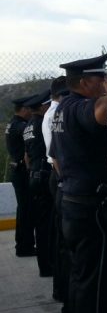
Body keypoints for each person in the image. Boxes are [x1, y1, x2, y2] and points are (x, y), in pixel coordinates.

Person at [49, 54, 107, 313]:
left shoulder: (60, 110)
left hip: (71, 199)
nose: (103, 84)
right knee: (98, 280)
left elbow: (55, 157)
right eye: (99, 79)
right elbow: (106, 108)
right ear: (84, 82)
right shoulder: (80, 108)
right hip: (92, 208)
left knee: (82, 277)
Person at [42, 76, 70, 313]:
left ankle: (61, 289)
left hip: (58, 177)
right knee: (66, 243)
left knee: (63, 240)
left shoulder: (52, 113)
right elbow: (59, 156)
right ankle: (64, 291)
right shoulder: (57, 114)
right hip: (62, 176)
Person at [22, 90, 54, 277]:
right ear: (42, 106)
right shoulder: (42, 123)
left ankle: (45, 264)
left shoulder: (27, 126)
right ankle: (48, 265)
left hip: (33, 175)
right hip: (43, 176)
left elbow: (26, 156)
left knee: (40, 223)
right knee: (47, 225)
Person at [6, 93, 35, 257]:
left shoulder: (13, 123)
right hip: (22, 172)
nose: (31, 112)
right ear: (23, 109)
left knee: (23, 210)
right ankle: (25, 247)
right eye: (29, 108)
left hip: (17, 171)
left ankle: (24, 245)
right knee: (26, 210)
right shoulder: (20, 126)